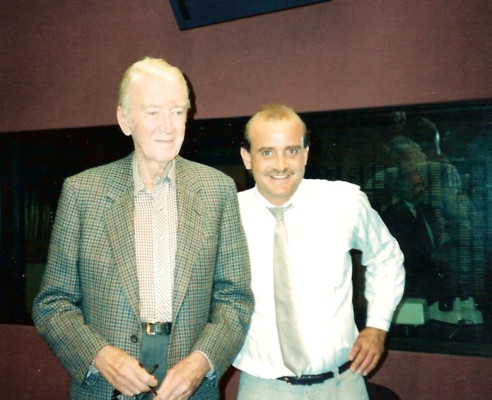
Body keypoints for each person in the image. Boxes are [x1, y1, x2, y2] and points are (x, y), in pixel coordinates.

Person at [32, 57, 254, 400]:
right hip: (106, 385)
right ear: (125, 119)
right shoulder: (83, 192)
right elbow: (52, 302)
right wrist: (100, 356)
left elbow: (234, 299)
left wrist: (200, 363)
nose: (168, 126)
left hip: (190, 383)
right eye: (153, 112)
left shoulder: (218, 189)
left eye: (178, 111)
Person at [233, 104, 405, 399]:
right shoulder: (227, 215)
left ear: (306, 154)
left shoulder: (344, 201)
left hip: (342, 385)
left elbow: (386, 257)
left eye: (291, 150)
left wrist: (377, 326)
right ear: (247, 158)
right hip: (262, 388)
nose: (280, 164)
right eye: (266, 152)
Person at [381, 169, 444, 301]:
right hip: (411, 273)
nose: (423, 188)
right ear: (405, 189)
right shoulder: (394, 214)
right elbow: (403, 246)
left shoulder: (426, 209)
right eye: (418, 185)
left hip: (431, 270)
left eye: (423, 184)